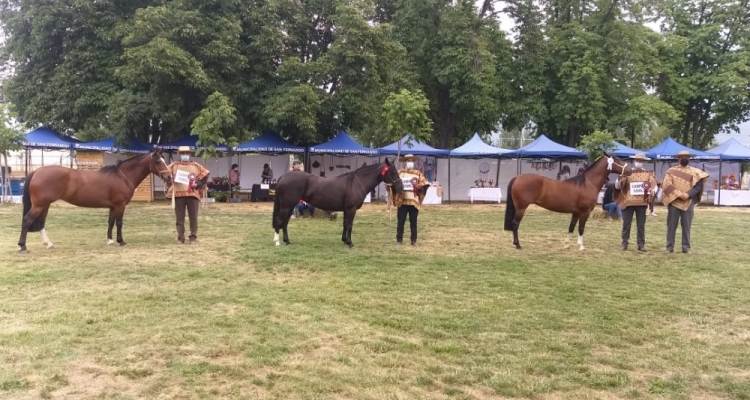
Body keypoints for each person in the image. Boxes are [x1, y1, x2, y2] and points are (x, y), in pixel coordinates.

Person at [661, 150, 709, 254]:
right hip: (674, 201)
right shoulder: (671, 171)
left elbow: (698, 186)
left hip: (688, 202)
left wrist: (688, 194)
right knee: (671, 226)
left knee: (687, 226)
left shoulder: (695, 172)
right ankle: (669, 247)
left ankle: (686, 247)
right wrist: (679, 194)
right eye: (682, 157)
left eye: (687, 157)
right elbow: (667, 184)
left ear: (689, 159)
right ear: (678, 158)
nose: (685, 159)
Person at [614, 153, 659, 252]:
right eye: (638, 160)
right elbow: (618, 186)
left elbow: (655, 185)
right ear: (634, 161)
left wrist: (652, 191)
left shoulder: (648, 174)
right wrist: (619, 179)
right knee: (626, 224)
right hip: (628, 203)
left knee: (641, 225)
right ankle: (624, 243)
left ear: (643, 162)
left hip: (641, 203)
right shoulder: (627, 172)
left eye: (641, 160)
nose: (639, 162)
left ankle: (641, 245)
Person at [166, 146, 210, 244]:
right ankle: (180, 238)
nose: (184, 155)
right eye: (182, 153)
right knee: (179, 218)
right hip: (178, 195)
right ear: (179, 154)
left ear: (189, 154)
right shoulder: (173, 166)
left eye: (186, 153)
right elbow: (165, 175)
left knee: (193, 217)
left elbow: (205, 177)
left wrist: (197, 184)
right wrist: (171, 179)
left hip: (192, 195)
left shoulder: (196, 166)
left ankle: (193, 237)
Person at [392, 154, 430, 246]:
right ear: (405, 162)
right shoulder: (400, 172)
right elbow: (393, 182)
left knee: (414, 222)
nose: (410, 162)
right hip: (402, 201)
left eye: (411, 161)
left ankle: (414, 240)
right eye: (408, 160)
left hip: (414, 202)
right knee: (400, 221)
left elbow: (425, 183)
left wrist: (420, 186)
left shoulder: (418, 173)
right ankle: (399, 240)